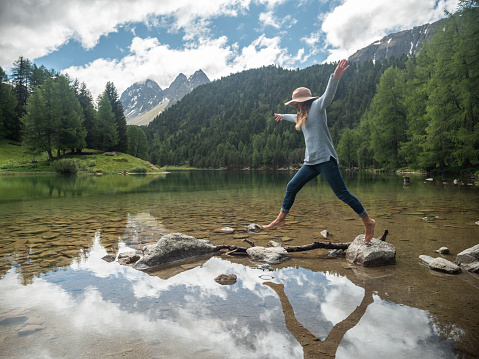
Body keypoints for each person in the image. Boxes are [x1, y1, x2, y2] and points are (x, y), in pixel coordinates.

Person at [262, 59, 376, 242]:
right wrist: (282, 116)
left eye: (297, 103)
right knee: (291, 186)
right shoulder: (301, 115)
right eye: (295, 105)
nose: (296, 106)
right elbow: (294, 117)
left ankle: (368, 221)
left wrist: (335, 77)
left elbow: (328, 94)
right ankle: (280, 220)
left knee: (342, 194)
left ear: (304, 101)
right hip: (311, 162)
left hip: (325, 159)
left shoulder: (318, 106)